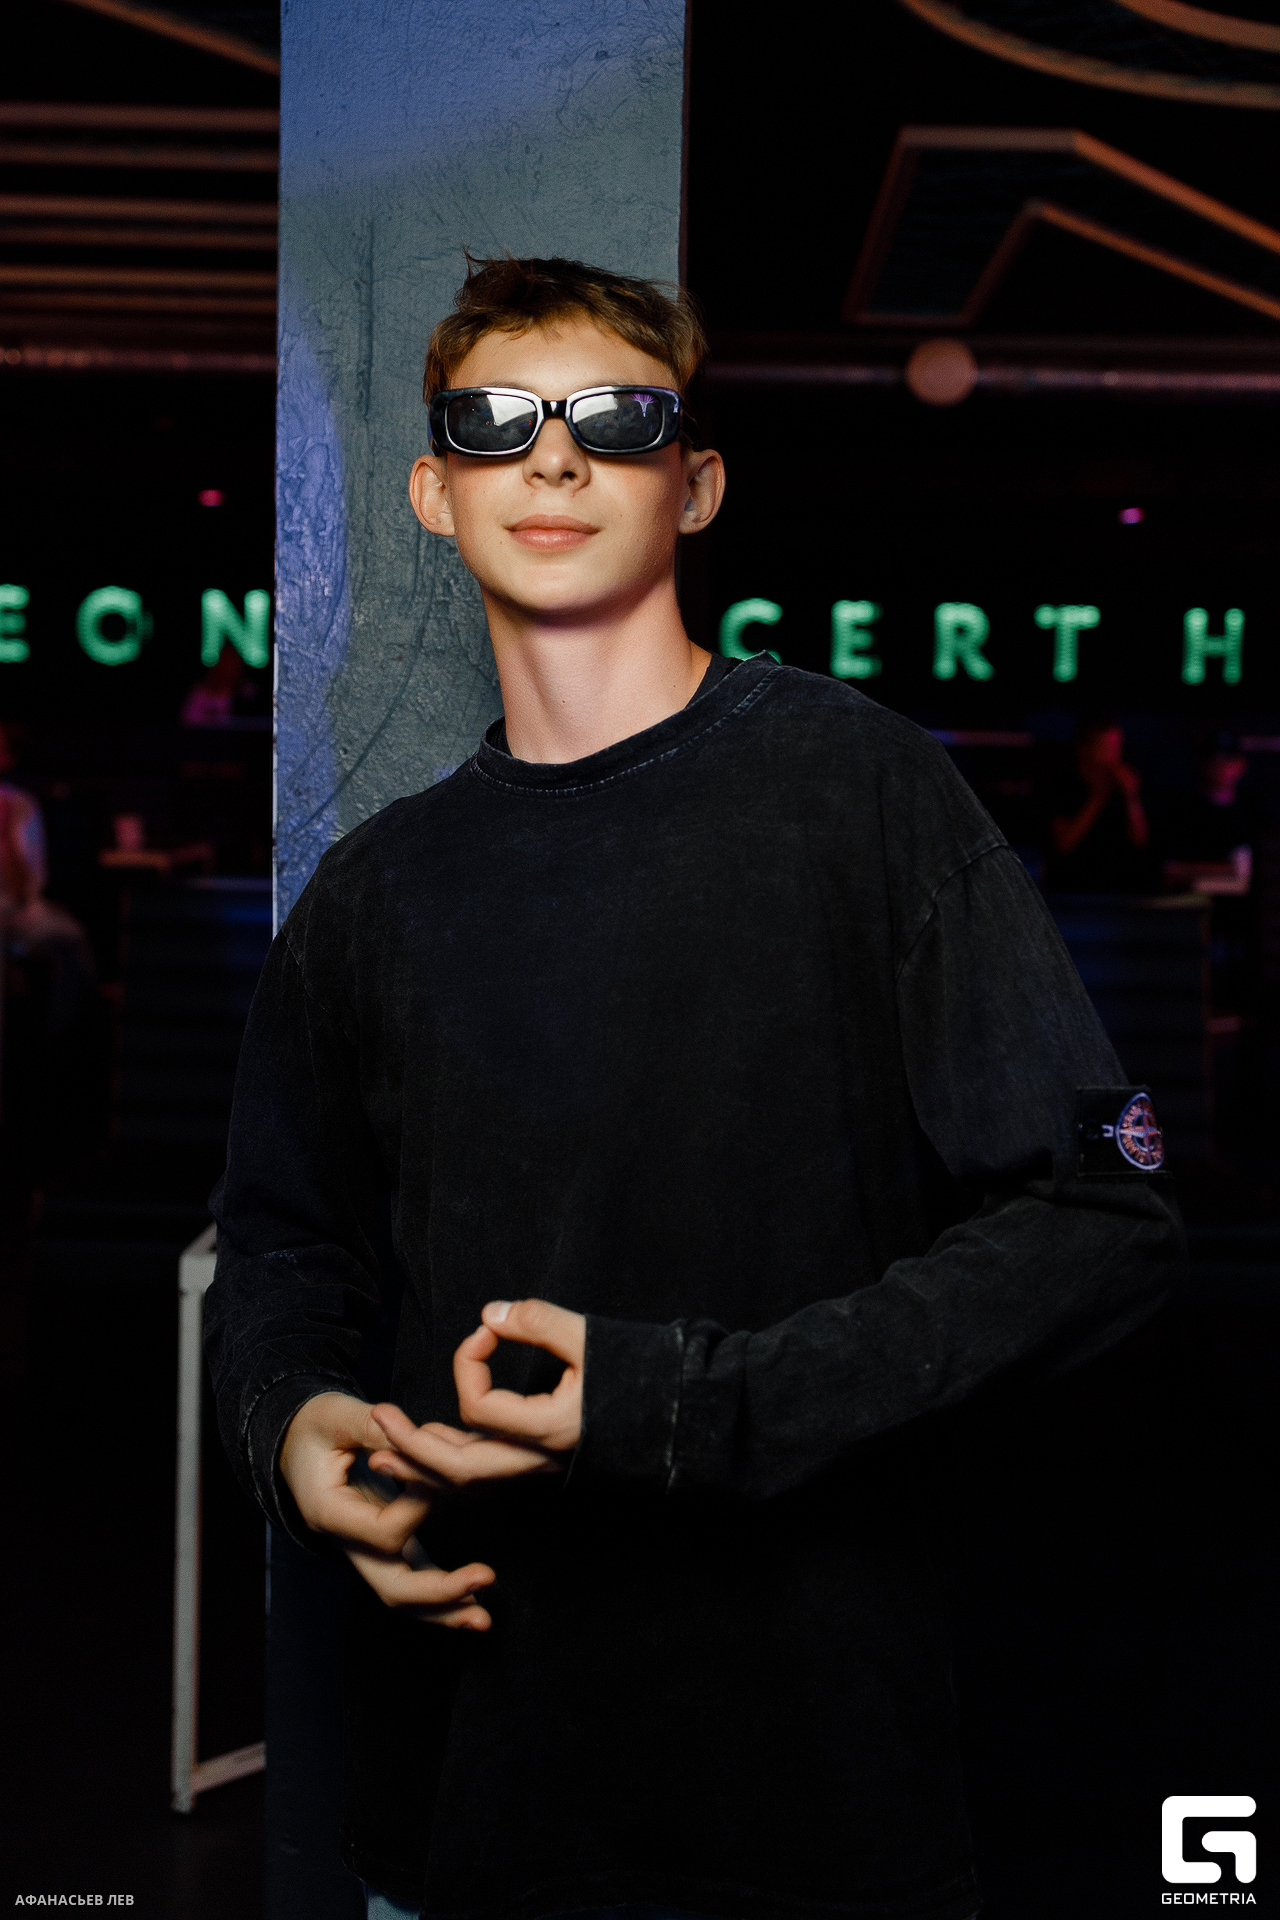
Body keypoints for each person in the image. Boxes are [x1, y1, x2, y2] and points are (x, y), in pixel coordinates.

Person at [205, 257, 1182, 1920]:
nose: (554, 456)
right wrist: (289, 1421)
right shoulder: (376, 893)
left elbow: (1106, 1212)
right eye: (497, 423)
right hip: (478, 1771)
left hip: (811, 1765)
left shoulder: (858, 790)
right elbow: (283, 1243)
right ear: (436, 493)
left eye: (616, 418)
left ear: (697, 482)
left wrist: (683, 1404)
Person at [1046, 715, 1152, 893]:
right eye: (1106, 748)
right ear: (1084, 748)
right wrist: (1098, 797)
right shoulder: (1062, 786)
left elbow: (1140, 841)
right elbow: (1063, 844)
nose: (1114, 756)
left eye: (1117, 747)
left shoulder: (1122, 788)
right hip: (1070, 888)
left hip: (1116, 888)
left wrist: (1131, 797)